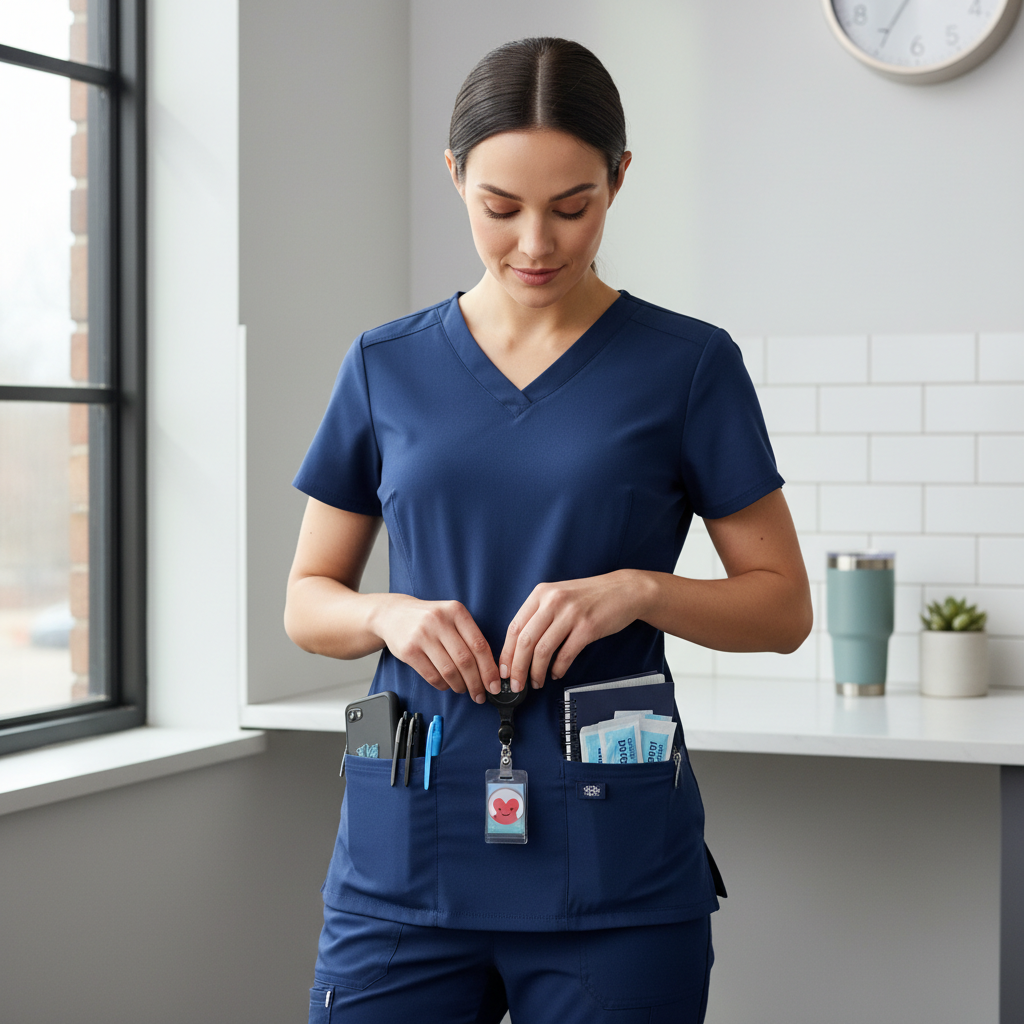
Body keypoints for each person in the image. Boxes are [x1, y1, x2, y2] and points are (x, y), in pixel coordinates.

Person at [285, 36, 812, 1024]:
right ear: (454, 177)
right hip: (401, 849)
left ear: (618, 177)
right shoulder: (381, 365)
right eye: (500, 208)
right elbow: (308, 601)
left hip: (611, 864)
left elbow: (781, 608)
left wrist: (639, 589)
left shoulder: (688, 366)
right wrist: (390, 614)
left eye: (573, 206)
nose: (536, 242)